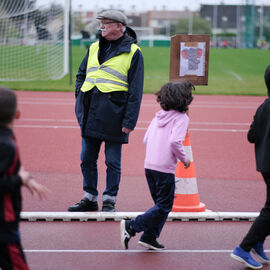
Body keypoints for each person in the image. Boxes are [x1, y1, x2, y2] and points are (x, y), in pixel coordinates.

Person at [68, 9, 144, 213]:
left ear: (120, 27)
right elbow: (81, 74)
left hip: (115, 115)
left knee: (112, 162)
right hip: (90, 112)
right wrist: (80, 97)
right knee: (87, 158)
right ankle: (90, 197)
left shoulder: (134, 52)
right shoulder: (93, 47)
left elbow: (136, 91)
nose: (101, 26)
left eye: (106, 23)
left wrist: (129, 121)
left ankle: (109, 198)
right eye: (101, 22)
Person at [120, 81, 193, 250]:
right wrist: (184, 159)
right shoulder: (182, 118)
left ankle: (149, 237)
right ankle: (131, 226)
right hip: (164, 168)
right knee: (164, 206)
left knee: (161, 205)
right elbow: (175, 141)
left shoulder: (158, 115)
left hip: (149, 166)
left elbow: (146, 139)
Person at [0, 86, 49, 270]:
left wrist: (26, 178)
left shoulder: (6, 139)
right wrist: (20, 180)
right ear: (17, 114)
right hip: (4, 224)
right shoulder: (6, 145)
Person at [231, 65, 270, 270]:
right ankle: (244, 248)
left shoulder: (263, 107)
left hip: (264, 165)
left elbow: (251, 136)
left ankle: (256, 240)